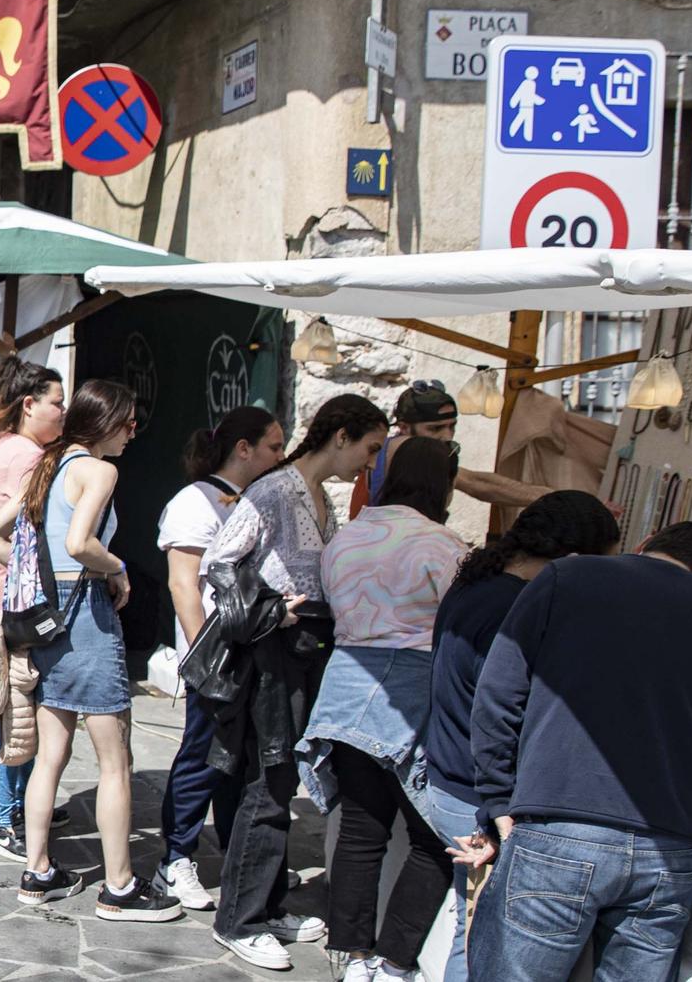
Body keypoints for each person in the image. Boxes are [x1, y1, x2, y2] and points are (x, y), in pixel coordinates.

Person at [456, 523, 692, 982]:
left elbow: (498, 694)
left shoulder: (569, 577)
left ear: (642, 547)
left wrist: (498, 799)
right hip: (668, 844)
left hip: (563, 827)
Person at [0, 379, 181, 923]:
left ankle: (39, 871)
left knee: (52, 754)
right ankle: (119, 886)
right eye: (130, 423)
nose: (133, 434)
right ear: (108, 422)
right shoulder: (99, 469)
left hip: (47, 621)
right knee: (116, 760)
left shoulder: (48, 466)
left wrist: (41, 577)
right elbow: (79, 543)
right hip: (87, 614)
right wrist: (115, 568)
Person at [202, 392, 388, 971]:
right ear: (341, 437)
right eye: (370, 448)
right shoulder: (277, 489)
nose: (370, 461)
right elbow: (220, 559)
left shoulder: (319, 497)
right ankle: (239, 919)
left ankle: (263, 904)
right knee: (269, 778)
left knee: (279, 780)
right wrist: (270, 612)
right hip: (272, 650)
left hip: (304, 647)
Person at [422, 490, 620, 982]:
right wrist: (501, 813)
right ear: (574, 560)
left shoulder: (482, 583)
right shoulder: (519, 606)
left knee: (473, 930)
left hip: (453, 779)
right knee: (482, 944)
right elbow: (504, 714)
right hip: (478, 794)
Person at [299, 436, 468, 982]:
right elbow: (457, 627)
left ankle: (352, 957)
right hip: (412, 692)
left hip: (347, 683)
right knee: (431, 838)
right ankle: (395, 962)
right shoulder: (445, 545)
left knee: (360, 830)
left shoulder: (346, 539)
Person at [154, 406, 285, 911]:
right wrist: (203, 658)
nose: (281, 455)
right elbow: (183, 583)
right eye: (273, 446)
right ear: (243, 449)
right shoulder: (194, 502)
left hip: (253, 648)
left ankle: (239, 855)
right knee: (203, 757)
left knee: (241, 761)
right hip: (217, 655)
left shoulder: (254, 499)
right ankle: (176, 859)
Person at [0, 355, 66, 862]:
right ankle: (2, 818)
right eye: (57, 402)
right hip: (19, 601)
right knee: (9, 707)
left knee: (13, 703)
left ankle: (18, 802)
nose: (63, 411)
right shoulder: (28, 455)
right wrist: (41, 579)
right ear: (29, 405)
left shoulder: (0, 445)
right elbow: (2, 536)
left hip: (5, 594)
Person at [349, 381, 552, 519]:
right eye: (435, 428)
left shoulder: (398, 449)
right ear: (403, 427)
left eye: (451, 426)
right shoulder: (401, 449)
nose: (446, 436)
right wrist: (555, 497)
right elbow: (478, 484)